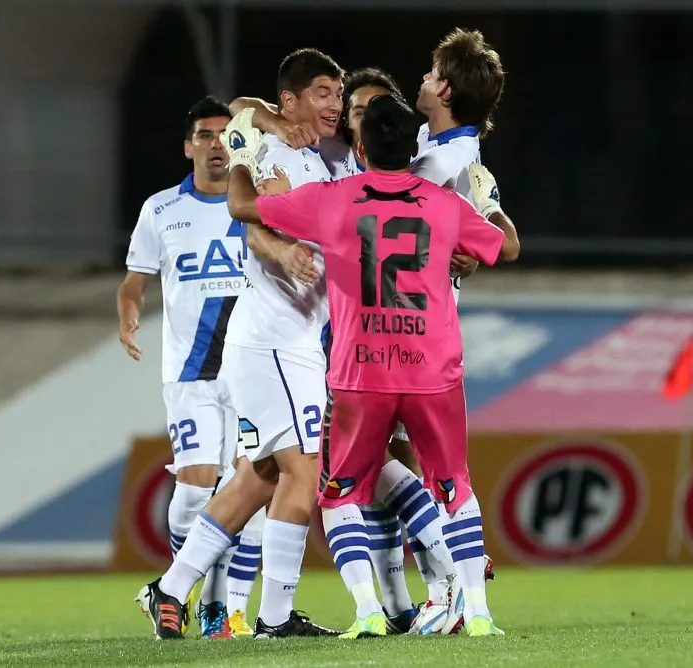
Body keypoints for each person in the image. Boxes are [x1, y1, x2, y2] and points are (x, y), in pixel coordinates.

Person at [234, 29, 508, 633]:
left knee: (345, 490)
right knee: (447, 482)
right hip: (432, 355)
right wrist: (484, 216)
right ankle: (466, 606)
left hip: (361, 362)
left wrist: (242, 156)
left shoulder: (340, 193)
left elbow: (244, 209)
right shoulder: (440, 178)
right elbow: (501, 246)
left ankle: (377, 609)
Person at [134, 49, 344, 640]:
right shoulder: (270, 149)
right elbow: (243, 141)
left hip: (296, 339)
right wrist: (280, 248)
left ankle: (169, 588)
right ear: (292, 101)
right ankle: (276, 616)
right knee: (304, 474)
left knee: (260, 478)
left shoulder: (326, 162)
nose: (333, 103)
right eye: (324, 92)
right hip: (272, 341)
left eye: (338, 93)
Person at [118, 97, 263, 639]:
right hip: (191, 373)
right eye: (205, 135)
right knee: (197, 490)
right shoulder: (160, 210)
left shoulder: (256, 201)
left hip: (252, 371)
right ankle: (183, 591)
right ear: (188, 146)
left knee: (252, 495)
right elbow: (135, 278)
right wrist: (129, 316)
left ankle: (217, 610)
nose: (218, 144)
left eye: (227, 134)